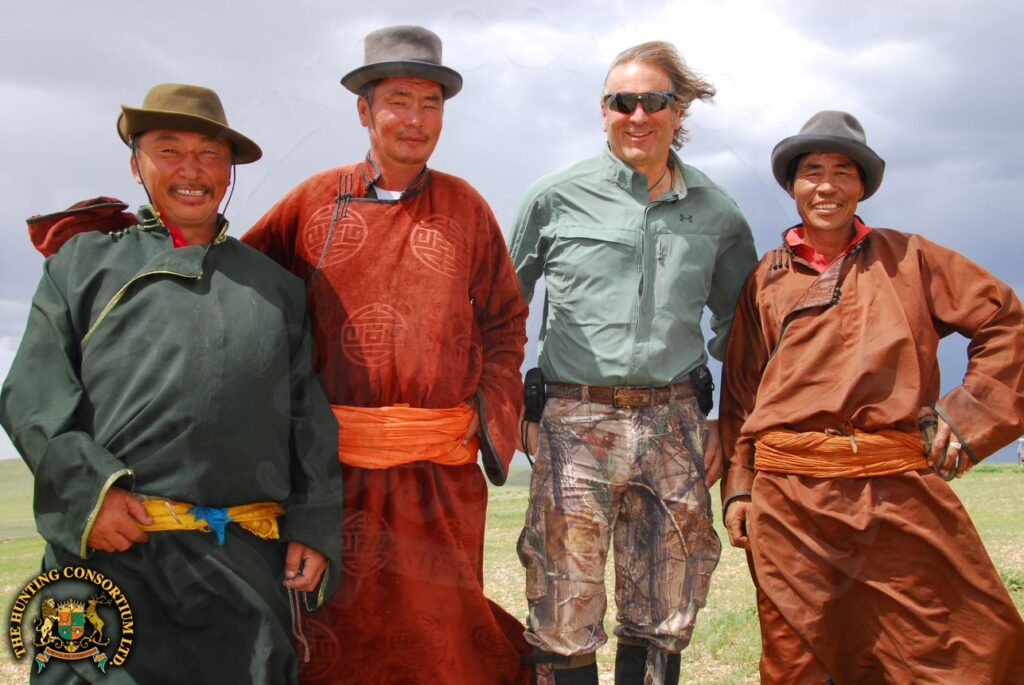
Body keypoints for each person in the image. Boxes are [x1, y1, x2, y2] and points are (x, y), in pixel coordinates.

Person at [0, 83, 343, 683]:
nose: (192, 170)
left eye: (210, 154)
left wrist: (314, 528)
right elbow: (33, 396)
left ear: (229, 169)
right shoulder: (82, 267)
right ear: (136, 164)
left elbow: (306, 419)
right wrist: (92, 493)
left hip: (239, 563)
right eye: (169, 150)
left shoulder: (275, 287)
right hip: (108, 555)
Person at [242, 25, 530, 684]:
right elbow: (245, 292)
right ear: (364, 110)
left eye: (431, 104)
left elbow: (507, 321)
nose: (416, 119)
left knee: (443, 641)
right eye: (398, 100)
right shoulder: (314, 204)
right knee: (334, 638)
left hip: (440, 479)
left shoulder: (467, 208)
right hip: (331, 477)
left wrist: (481, 419)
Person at [720, 110, 1024, 684]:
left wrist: (967, 417)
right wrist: (738, 489)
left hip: (894, 487)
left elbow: (1007, 323)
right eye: (812, 171)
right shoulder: (766, 278)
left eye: (843, 171)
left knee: (965, 646)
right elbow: (741, 393)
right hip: (789, 497)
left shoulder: (910, 258)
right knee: (797, 659)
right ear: (792, 186)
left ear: (861, 186)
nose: (827, 185)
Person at [508, 41, 757, 685]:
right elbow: (502, 308)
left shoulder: (719, 213)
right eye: (623, 102)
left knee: (665, 609)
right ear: (603, 111)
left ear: (680, 112)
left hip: (675, 425)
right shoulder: (552, 198)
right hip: (571, 424)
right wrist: (514, 407)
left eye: (655, 102)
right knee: (564, 604)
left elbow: (741, 331)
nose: (637, 115)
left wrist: (730, 428)